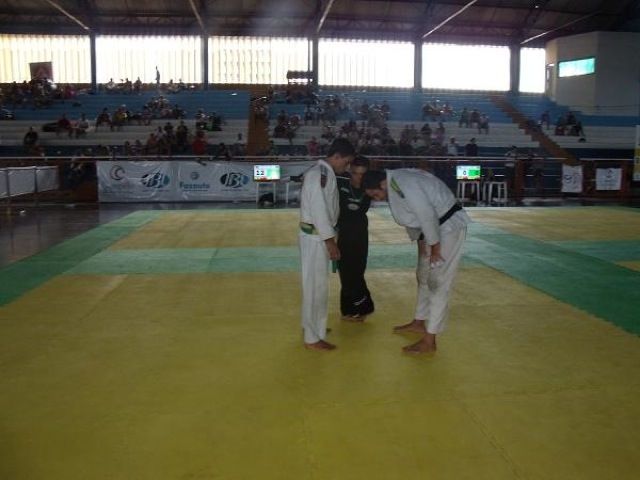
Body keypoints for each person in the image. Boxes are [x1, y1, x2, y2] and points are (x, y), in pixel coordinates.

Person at [362, 168, 470, 355]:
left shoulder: (404, 182)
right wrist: (421, 242)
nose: (376, 199)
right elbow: (412, 217)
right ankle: (419, 322)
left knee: (438, 282)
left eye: (375, 194)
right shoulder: (395, 184)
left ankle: (430, 339)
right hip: (431, 231)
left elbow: (426, 214)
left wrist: (435, 247)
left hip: (449, 227)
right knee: (423, 274)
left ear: (382, 184)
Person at [299, 138, 356, 351]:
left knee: (314, 284)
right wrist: (330, 242)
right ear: (336, 156)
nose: (347, 167)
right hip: (317, 237)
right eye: (346, 162)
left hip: (317, 235)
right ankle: (312, 338)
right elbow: (319, 210)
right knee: (316, 287)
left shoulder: (323, 173)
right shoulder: (319, 175)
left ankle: (311, 326)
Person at [336, 155, 375, 322]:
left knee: (357, 271)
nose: (358, 178)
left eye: (362, 174)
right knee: (344, 271)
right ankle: (349, 309)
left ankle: (362, 308)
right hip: (342, 232)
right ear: (349, 171)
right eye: (355, 173)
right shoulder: (340, 182)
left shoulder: (370, 187)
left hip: (359, 233)